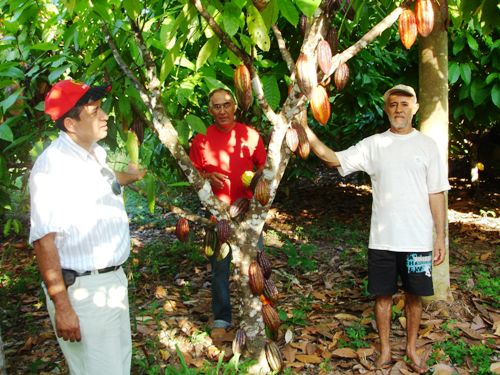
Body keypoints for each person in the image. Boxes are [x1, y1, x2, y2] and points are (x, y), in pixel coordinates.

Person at [304, 84, 449, 373]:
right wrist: (303, 128)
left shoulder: (427, 146)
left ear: (415, 108)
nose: (399, 109)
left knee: (414, 297)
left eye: (405, 104)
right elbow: (333, 158)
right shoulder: (374, 145)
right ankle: (384, 351)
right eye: (393, 104)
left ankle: (410, 349)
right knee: (382, 297)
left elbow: (436, 193)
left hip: (418, 240)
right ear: (386, 109)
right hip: (383, 239)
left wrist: (440, 236)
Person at [29, 79, 145, 374]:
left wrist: (128, 177)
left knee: (117, 367)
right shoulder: (53, 166)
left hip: (111, 282)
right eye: (95, 112)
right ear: (70, 123)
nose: (105, 116)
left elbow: (102, 182)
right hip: (84, 291)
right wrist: (63, 306)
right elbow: (44, 242)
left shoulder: (95, 154)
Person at [189, 88, 267, 335]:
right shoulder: (202, 138)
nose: (222, 110)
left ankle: (262, 312)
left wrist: (256, 182)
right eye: (216, 106)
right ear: (210, 110)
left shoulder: (251, 135)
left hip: (247, 213)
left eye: (226, 105)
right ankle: (222, 318)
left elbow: (266, 168)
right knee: (220, 269)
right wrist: (206, 175)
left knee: (257, 265)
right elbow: (193, 174)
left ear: (234, 106)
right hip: (218, 215)